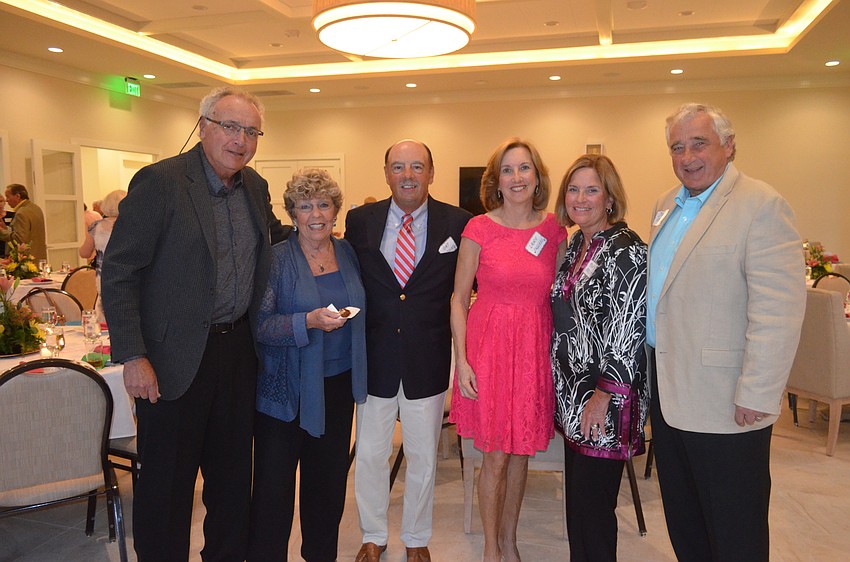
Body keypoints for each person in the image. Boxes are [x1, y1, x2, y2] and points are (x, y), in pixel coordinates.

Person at [101, 86, 287, 562]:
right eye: (230, 127)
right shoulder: (161, 182)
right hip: (171, 360)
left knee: (231, 483)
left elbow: (276, 242)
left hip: (238, 353)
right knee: (167, 487)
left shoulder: (255, 187)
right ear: (203, 127)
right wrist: (133, 355)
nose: (241, 140)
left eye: (251, 131)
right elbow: (120, 271)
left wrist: (326, 234)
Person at [647, 103, 806, 560]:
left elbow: (778, 311)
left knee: (736, 529)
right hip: (668, 392)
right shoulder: (665, 205)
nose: (687, 157)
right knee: (685, 521)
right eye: (677, 147)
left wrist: (757, 391)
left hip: (726, 401)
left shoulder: (761, 205)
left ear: (729, 146)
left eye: (699, 143)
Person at [345, 139, 471, 562]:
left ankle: (416, 538)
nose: (408, 175)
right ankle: (373, 535)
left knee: (423, 457)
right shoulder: (360, 221)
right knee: (370, 455)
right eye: (398, 167)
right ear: (386, 173)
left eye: (417, 166)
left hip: (428, 360)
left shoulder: (458, 222)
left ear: (431, 173)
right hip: (375, 359)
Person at [449, 137, 566, 562]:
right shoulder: (478, 229)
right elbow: (458, 300)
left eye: (524, 168)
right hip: (490, 353)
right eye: (508, 170)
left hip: (533, 353)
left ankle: (511, 541)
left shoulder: (554, 230)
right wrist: (462, 361)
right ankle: (490, 549)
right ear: (496, 181)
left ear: (537, 177)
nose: (517, 177)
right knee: (495, 457)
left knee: (520, 456)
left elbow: (562, 297)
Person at [247, 169, 367, 561]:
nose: (315, 214)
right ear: (292, 214)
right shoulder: (276, 259)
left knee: (327, 491)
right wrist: (307, 322)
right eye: (305, 206)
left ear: (335, 210)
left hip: (336, 389)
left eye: (323, 204)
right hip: (285, 392)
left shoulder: (347, 252)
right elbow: (259, 326)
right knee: (273, 495)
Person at [550, 154, 648, 561]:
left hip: (604, 401)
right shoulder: (578, 243)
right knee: (578, 508)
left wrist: (603, 396)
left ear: (609, 198)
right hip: (575, 397)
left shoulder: (627, 249)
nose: (580, 198)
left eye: (592, 190)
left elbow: (630, 328)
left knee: (594, 511)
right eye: (573, 189)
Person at [79, 189, 126, 289]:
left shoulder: (96, 226)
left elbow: (84, 253)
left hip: (104, 277)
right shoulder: (132, 225)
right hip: (126, 276)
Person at [0, 184, 46, 260]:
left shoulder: (21, 213)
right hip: (38, 256)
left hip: (26, 259)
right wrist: (6, 230)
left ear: (18, 196)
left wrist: (2, 231)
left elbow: (19, 239)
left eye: (8, 197)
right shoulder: (35, 208)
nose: (6, 200)